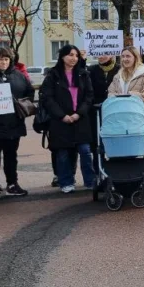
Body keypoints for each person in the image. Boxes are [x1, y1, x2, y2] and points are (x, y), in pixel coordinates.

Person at [40, 44, 95, 194]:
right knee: (63, 153)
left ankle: (90, 181)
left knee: (85, 151)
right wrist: (62, 115)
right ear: (62, 56)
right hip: (60, 121)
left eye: (76, 55)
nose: (74, 58)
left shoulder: (83, 74)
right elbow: (47, 98)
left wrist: (79, 113)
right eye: (70, 55)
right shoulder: (53, 75)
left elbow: (89, 96)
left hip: (80, 119)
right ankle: (66, 182)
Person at [0, 47, 33, 200]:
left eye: (6, 59)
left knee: (11, 156)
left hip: (13, 123)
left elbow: (29, 92)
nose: (3, 62)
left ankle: (12, 184)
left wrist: (21, 104)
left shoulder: (18, 75)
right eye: (0, 59)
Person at [87, 54, 119, 177]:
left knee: (114, 141)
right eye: (98, 53)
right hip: (96, 111)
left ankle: (115, 171)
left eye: (105, 53)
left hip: (114, 110)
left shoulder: (119, 69)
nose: (101, 56)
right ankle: (98, 172)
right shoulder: (91, 70)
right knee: (97, 143)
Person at [108, 46, 144, 118]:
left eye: (128, 56)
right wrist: (122, 97)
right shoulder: (117, 76)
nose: (125, 59)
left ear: (135, 58)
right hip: (120, 116)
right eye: (123, 56)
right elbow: (110, 94)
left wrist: (129, 95)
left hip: (139, 118)